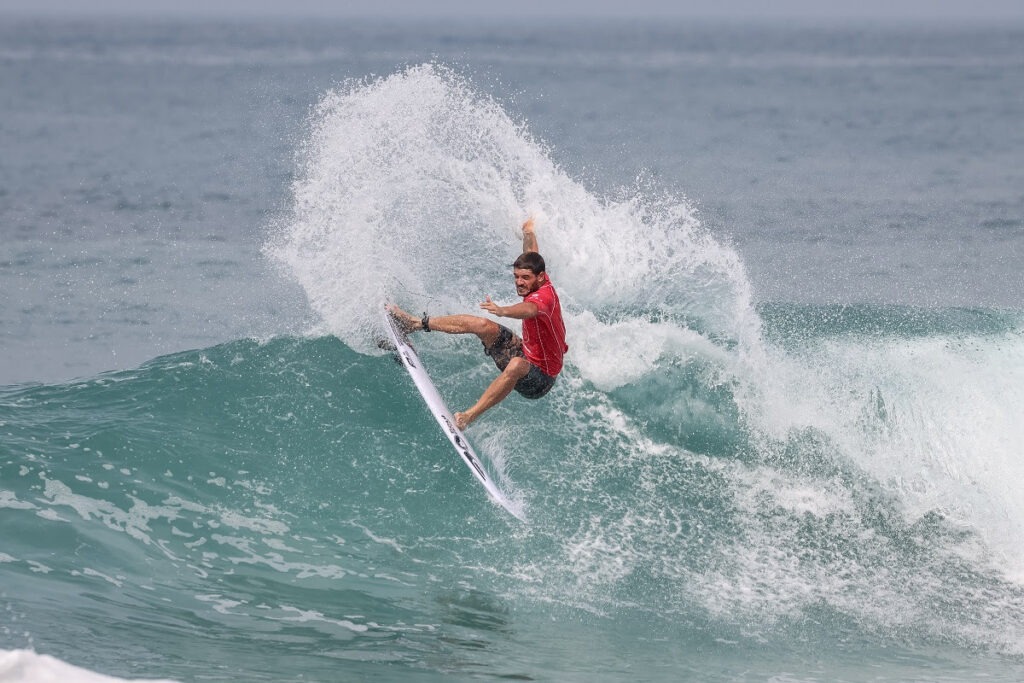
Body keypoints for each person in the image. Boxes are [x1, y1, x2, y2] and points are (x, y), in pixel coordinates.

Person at [388, 217, 568, 430]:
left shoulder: (544, 298)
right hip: (525, 351)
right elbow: (532, 252)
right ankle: (414, 324)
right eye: (516, 276)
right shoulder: (537, 278)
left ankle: (469, 417)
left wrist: (503, 311)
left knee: (517, 364)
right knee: (482, 324)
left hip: (541, 379)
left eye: (525, 278)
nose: (519, 282)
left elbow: (529, 310)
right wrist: (528, 231)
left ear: (540, 278)